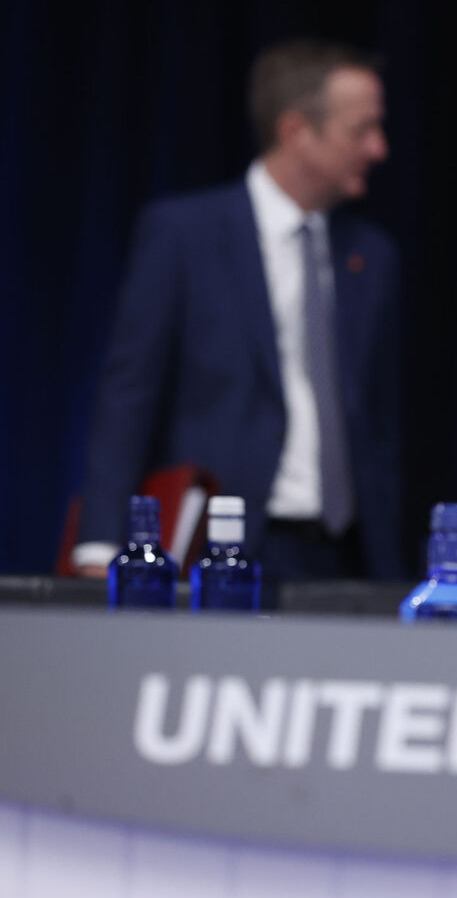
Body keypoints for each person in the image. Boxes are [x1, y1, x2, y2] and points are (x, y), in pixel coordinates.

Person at [76, 39, 404, 585]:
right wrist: (100, 543)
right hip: (223, 546)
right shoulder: (185, 236)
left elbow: (381, 427)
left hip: (348, 558)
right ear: (296, 131)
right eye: (360, 130)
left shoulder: (371, 256)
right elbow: (128, 395)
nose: (378, 148)